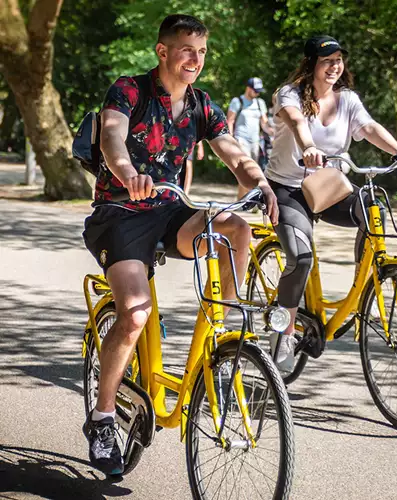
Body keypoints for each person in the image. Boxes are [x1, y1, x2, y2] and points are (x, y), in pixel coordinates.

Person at [81, 14, 278, 476]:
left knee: (236, 229)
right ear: (163, 51)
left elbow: (235, 153)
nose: (195, 59)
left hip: (171, 210)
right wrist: (129, 174)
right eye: (187, 49)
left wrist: (260, 183)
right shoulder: (129, 89)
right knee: (134, 313)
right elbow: (112, 136)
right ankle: (103, 417)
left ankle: (224, 338)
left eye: (202, 52)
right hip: (121, 213)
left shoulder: (202, 104)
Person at [264, 35, 397, 370]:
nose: (335, 66)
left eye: (338, 60)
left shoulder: (347, 99)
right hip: (289, 188)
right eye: (327, 60)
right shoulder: (289, 93)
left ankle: (368, 276)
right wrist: (308, 147)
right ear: (311, 65)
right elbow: (296, 121)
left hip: (328, 186)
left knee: (371, 205)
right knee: (301, 257)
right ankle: (284, 331)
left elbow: (370, 127)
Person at [227, 77, 274, 199]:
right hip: (241, 139)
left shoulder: (260, 103)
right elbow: (230, 121)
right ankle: (246, 200)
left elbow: (264, 123)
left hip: (255, 141)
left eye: (259, 91)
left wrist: (274, 133)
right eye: (255, 91)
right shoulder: (237, 102)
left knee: (254, 171)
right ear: (248, 88)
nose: (257, 93)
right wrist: (230, 140)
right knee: (246, 169)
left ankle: (243, 199)